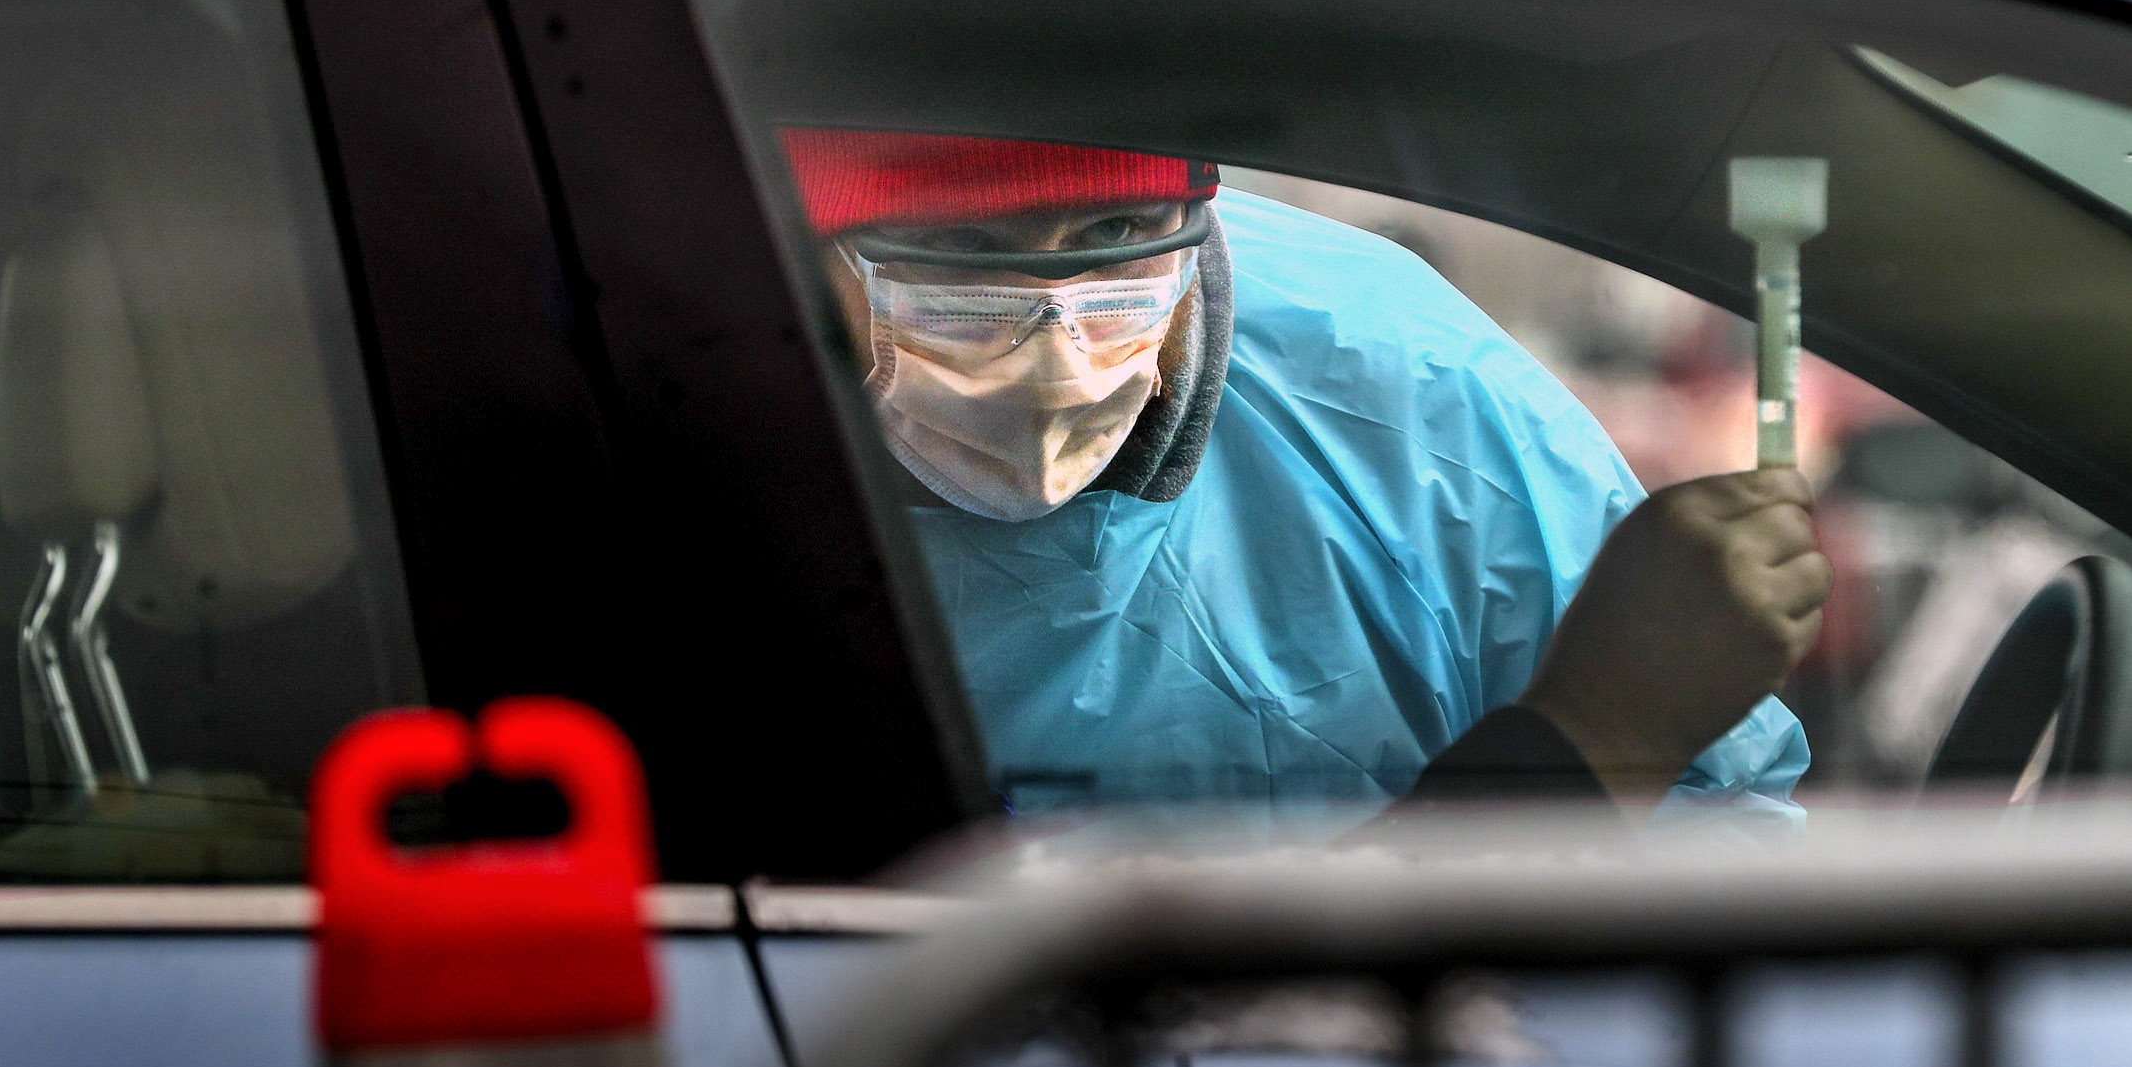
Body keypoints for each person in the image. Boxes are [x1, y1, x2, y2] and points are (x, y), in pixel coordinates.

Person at [784, 126, 1830, 824]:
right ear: (793, 249)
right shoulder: (674, 418)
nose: (1059, 355)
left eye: (1115, 236)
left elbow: (1721, 840)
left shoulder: (1399, 397)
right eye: (956, 251)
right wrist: (1588, 747)